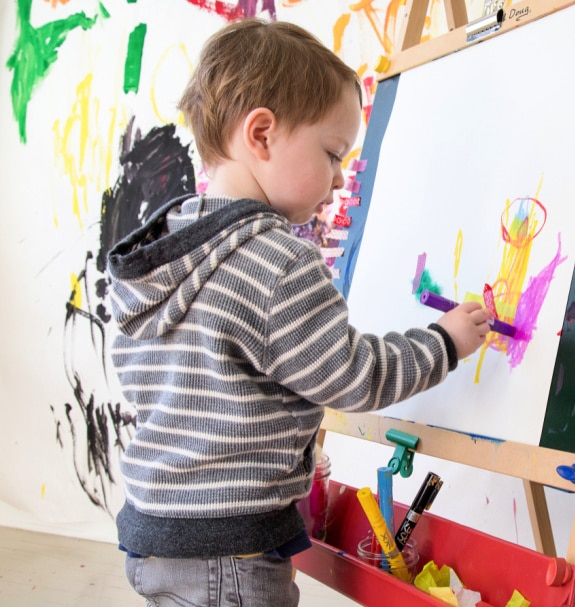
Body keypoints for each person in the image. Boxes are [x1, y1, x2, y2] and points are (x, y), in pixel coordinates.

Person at [106, 18, 492, 607]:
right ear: (261, 134)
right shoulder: (276, 260)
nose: (341, 179)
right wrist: (443, 342)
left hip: (154, 532)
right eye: (333, 153)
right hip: (229, 553)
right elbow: (353, 373)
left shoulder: (166, 245)